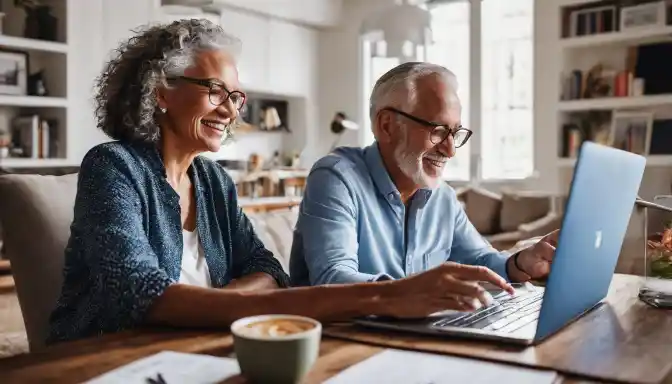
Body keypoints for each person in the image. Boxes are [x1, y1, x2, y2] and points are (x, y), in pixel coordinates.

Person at [47, 20, 514, 344]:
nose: (230, 110)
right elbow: (141, 295)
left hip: (200, 351)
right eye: (215, 91)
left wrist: (210, 304)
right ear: (161, 91)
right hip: (110, 359)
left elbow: (272, 272)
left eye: (236, 96)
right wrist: (229, 302)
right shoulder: (113, 167)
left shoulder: (211, 181)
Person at [290, 62, 558, 287]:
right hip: (344, 344)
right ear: (387, 125)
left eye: (455, 133)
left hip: (415, 339)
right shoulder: (337, 178)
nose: (450, 150)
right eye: (439, 130)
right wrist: (415, 292)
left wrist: (519, 262)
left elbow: (480, 261)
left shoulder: (442, 196)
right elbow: (333, 278)